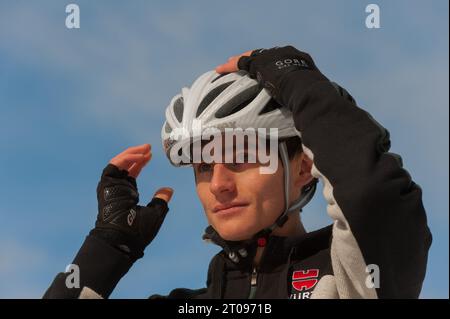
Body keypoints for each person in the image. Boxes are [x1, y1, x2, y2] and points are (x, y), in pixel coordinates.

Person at [44, 46, 432, 299]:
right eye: (204, 166)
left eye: (243, 157)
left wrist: (298, 80)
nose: (218, 185)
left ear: (305, 166)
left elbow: (372, 196)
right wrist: (107, 250)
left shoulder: (352, 277)